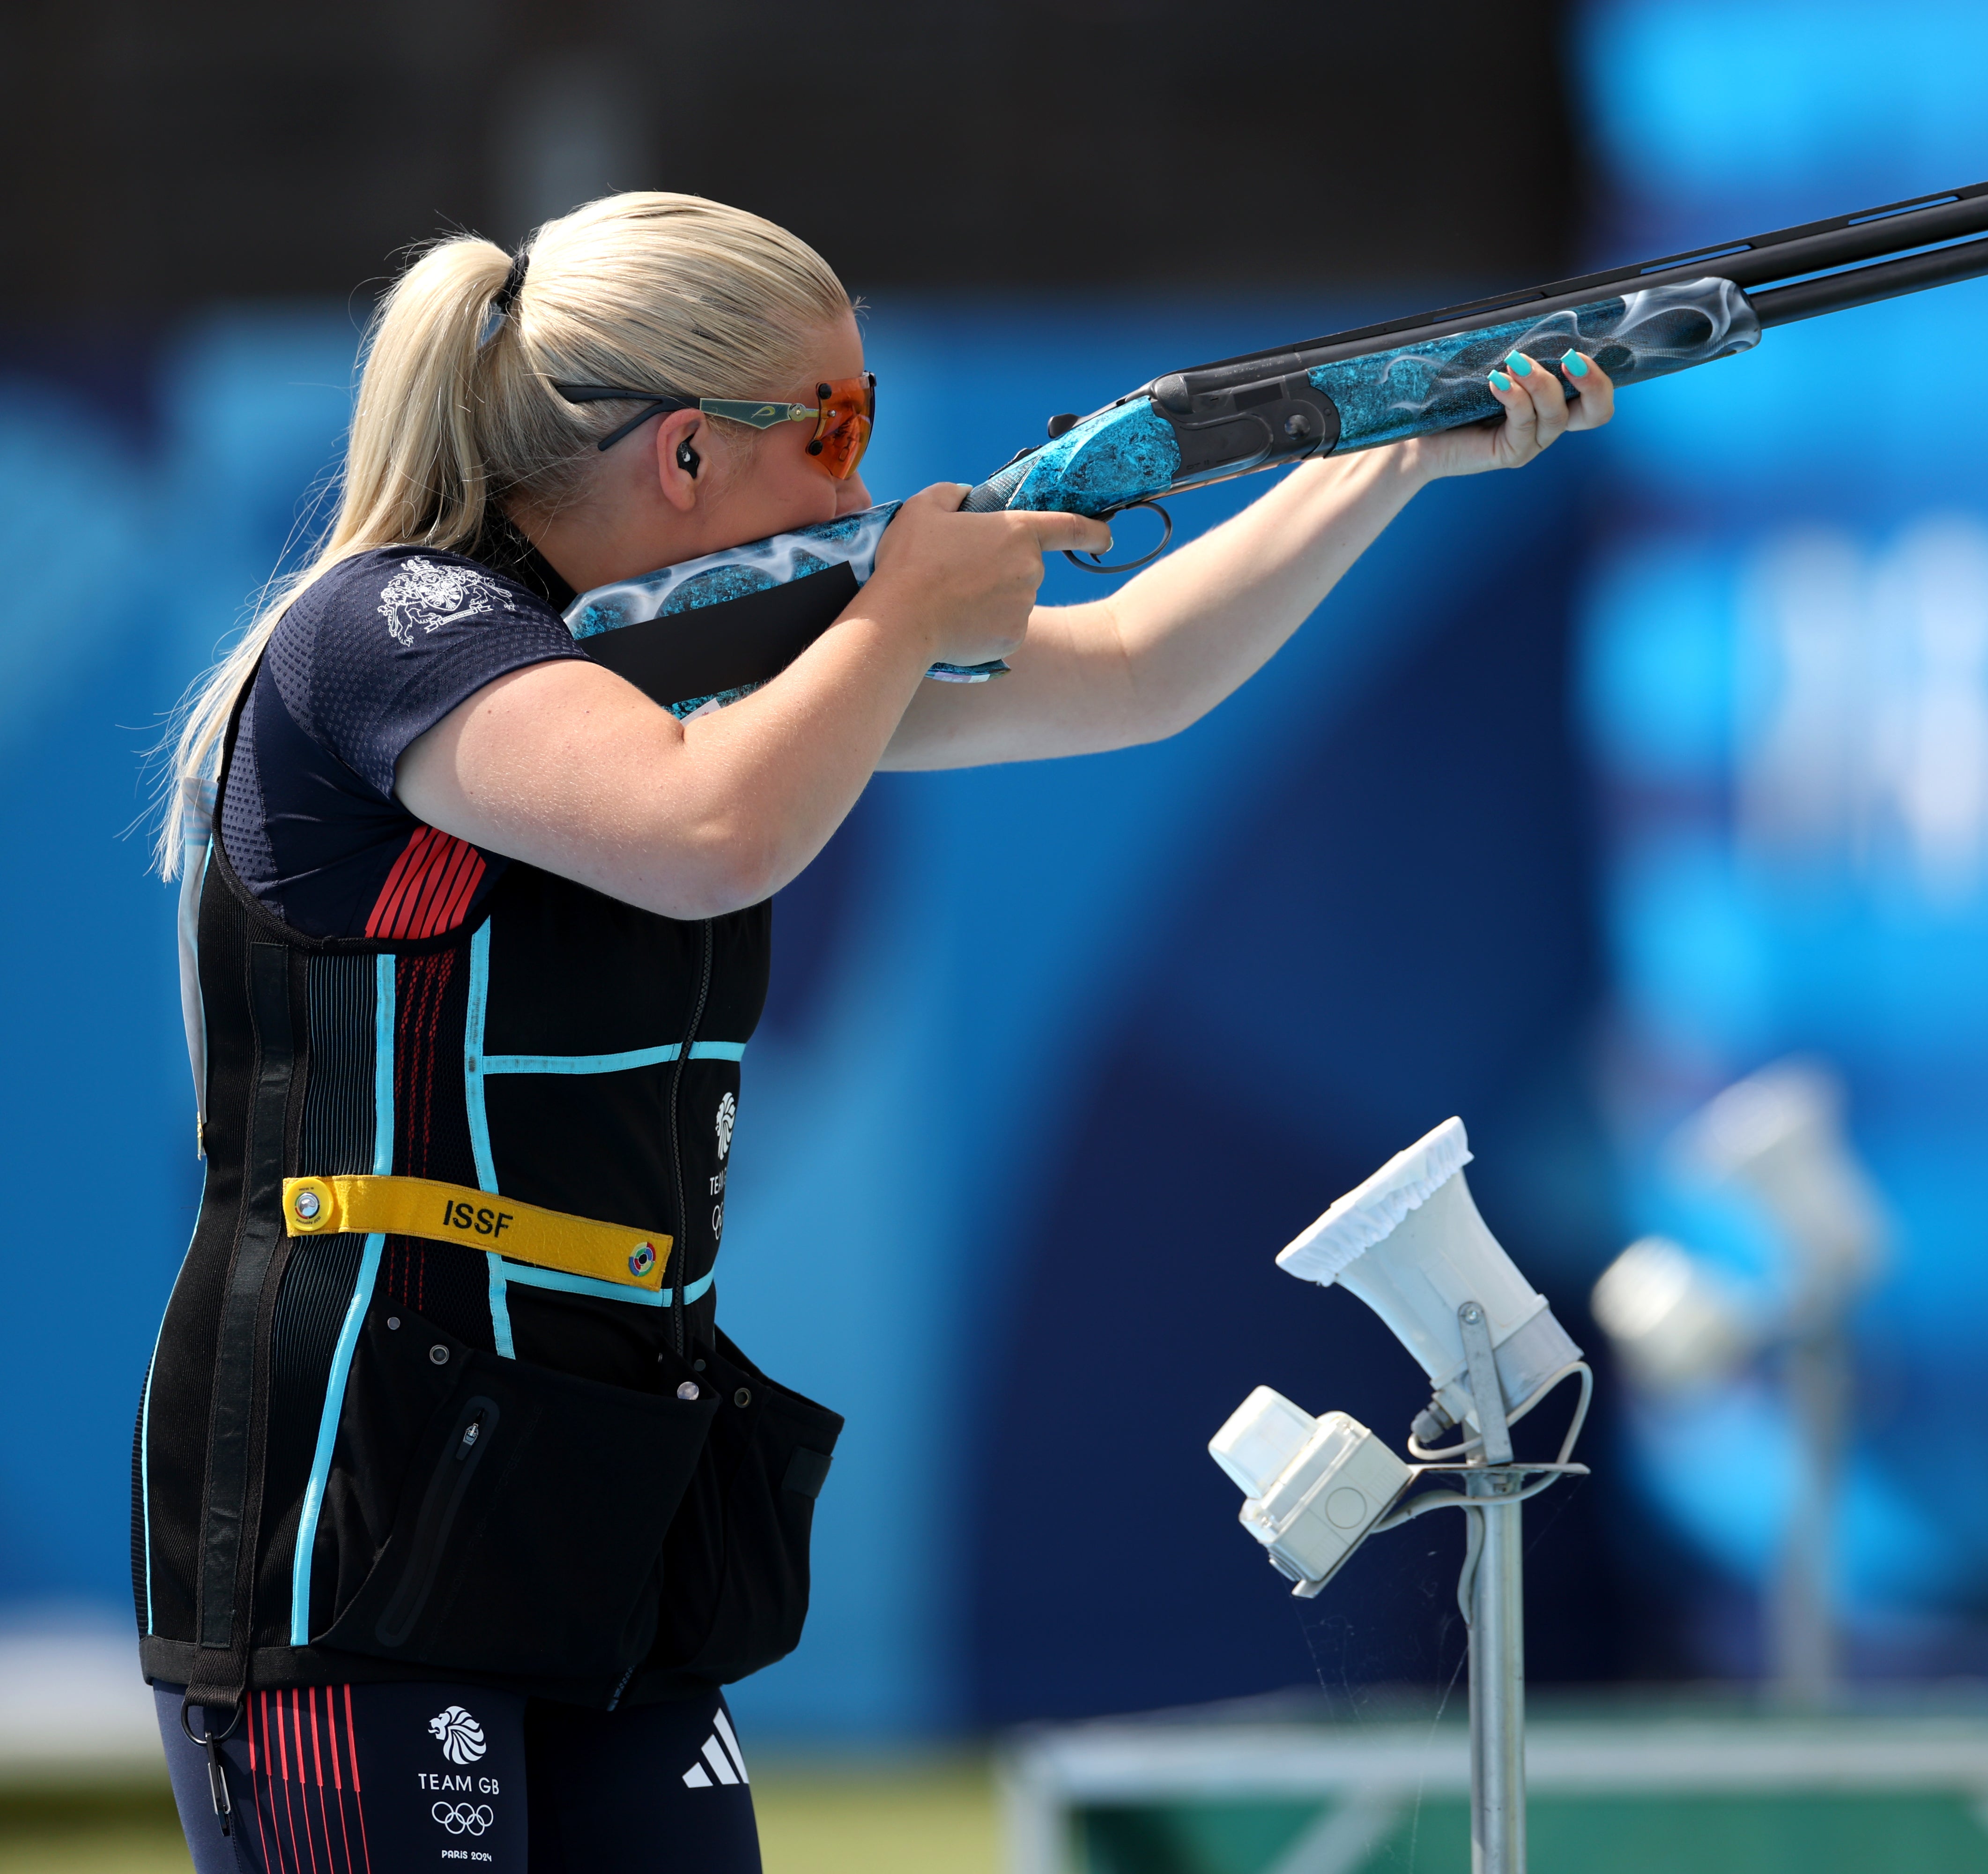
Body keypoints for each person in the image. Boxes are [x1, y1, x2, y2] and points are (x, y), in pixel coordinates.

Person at [136, 191, 1614, 1874]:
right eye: (833, 431)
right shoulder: (389, 630)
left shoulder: (705, 670)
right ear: (684, 454)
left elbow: (1133, 670)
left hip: (604, 1474)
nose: (863, 487)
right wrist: (899, 607)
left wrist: (1393, 454)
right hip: (359, 1486)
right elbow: (711, 836)